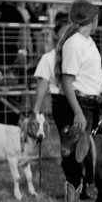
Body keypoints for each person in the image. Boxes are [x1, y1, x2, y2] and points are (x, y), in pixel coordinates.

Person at [55, 0, 102, 202]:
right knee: (75, 159)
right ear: (92, 18)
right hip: (80, 104)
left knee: (87, 155)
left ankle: (87, 200)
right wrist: (78, 111)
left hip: (90, 103)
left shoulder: (86, 42)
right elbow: (67, 80)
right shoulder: (75, 43)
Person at [31, 20, 73, 157]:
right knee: (67, 141)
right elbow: (42, 83)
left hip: (80, 100)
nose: (68, 36)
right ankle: (72, 176)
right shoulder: (49, 58)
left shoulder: (77, 55)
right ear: (55, 34)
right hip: (61, 102)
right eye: (64, 32)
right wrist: (35, 111)